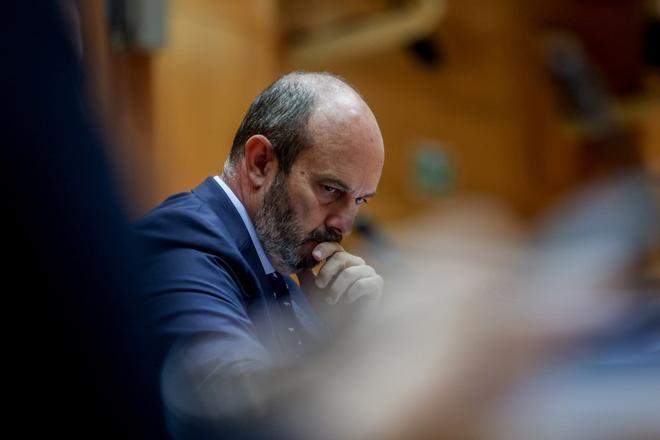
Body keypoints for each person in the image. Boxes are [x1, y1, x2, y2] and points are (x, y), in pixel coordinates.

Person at [134, 72, 385, 435]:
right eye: (330, 189)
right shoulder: (180, 244)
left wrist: (349, 331)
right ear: (260, 163)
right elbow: (238, 415)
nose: (344, 225)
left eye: (359, 200)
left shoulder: (293, 279)